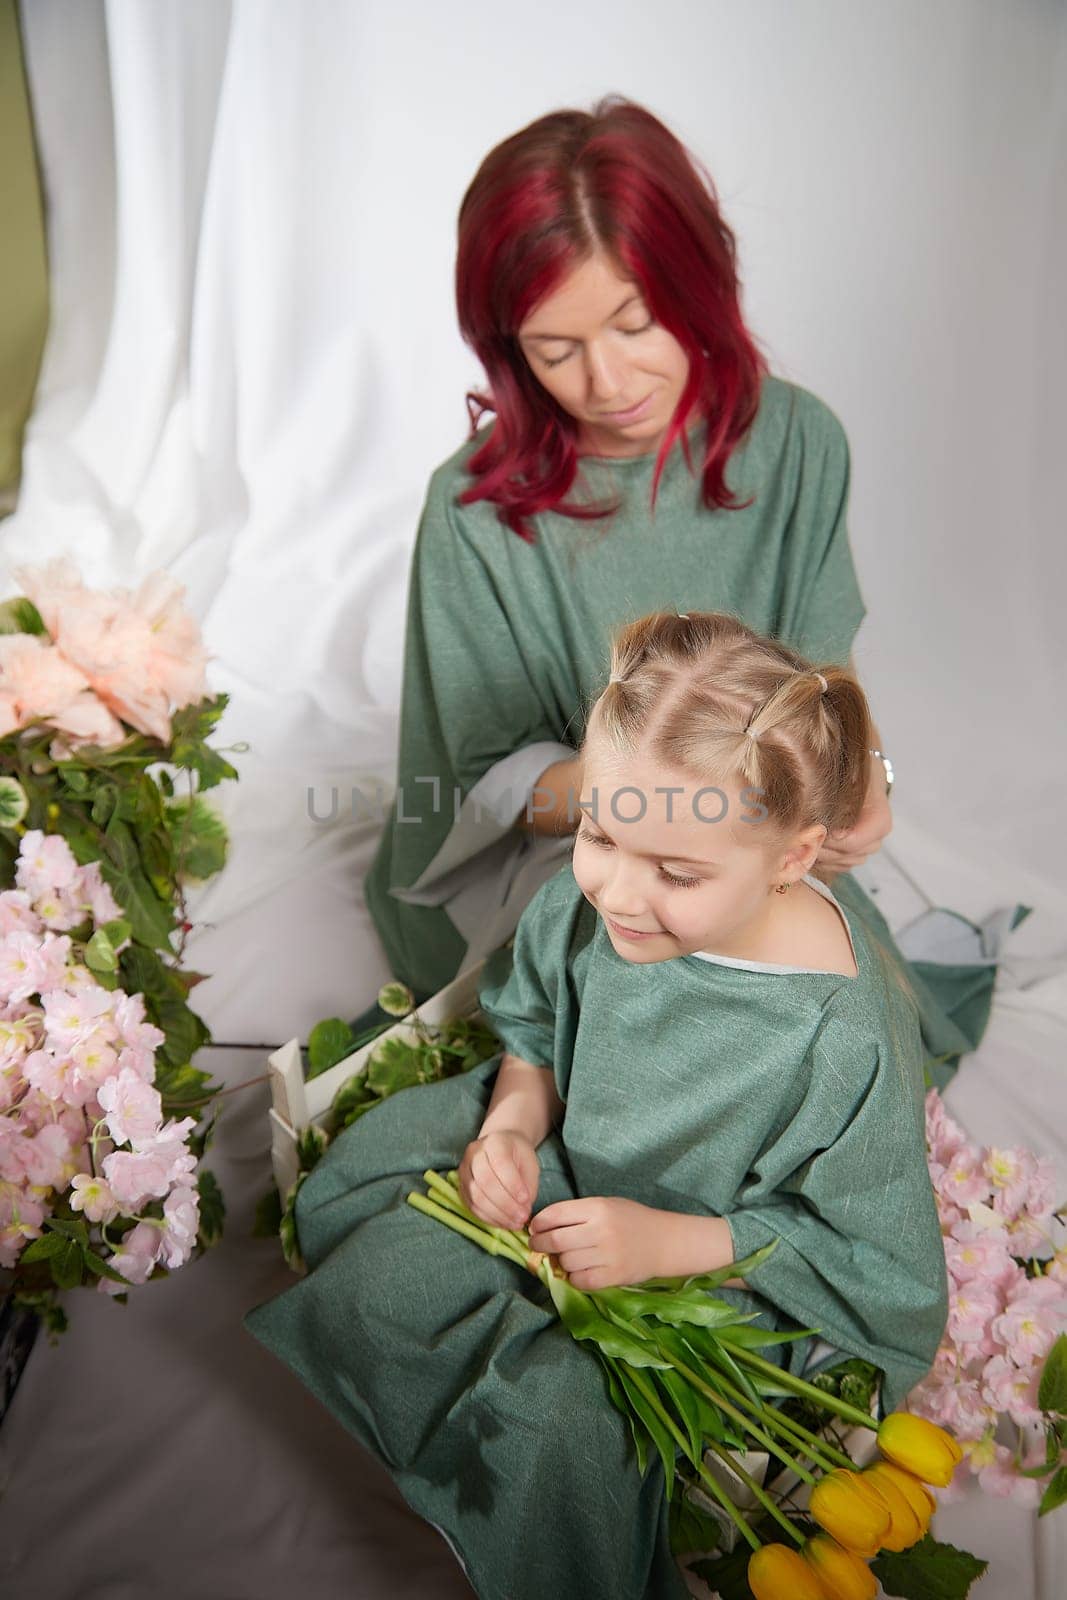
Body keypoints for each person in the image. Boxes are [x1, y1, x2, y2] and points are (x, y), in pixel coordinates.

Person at [246, 612, 948, 1600]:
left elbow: (864, 1251)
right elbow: (533, 1023)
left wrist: (667, 1243)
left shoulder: (840, 1033)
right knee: (379, 1181)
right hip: (571, 1158)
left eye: (676, 872)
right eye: (600, 832)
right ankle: (434, 1445)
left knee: (558, 1421)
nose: (617, 891)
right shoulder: (599, 898)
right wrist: (512, 1126)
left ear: (791, 859)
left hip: (719, 1263)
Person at [358, 97, 996, 1074]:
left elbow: (824, 680)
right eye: (553, 348)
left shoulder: (795, 444)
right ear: (505, 348)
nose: (605, 381)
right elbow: (490, 789)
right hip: (571, 856)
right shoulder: (475, 511)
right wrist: (686, 805)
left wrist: (859, 770)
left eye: (634, 322)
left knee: (842, 1046)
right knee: (642, 1056)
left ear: (694, 284)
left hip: (744, 839)